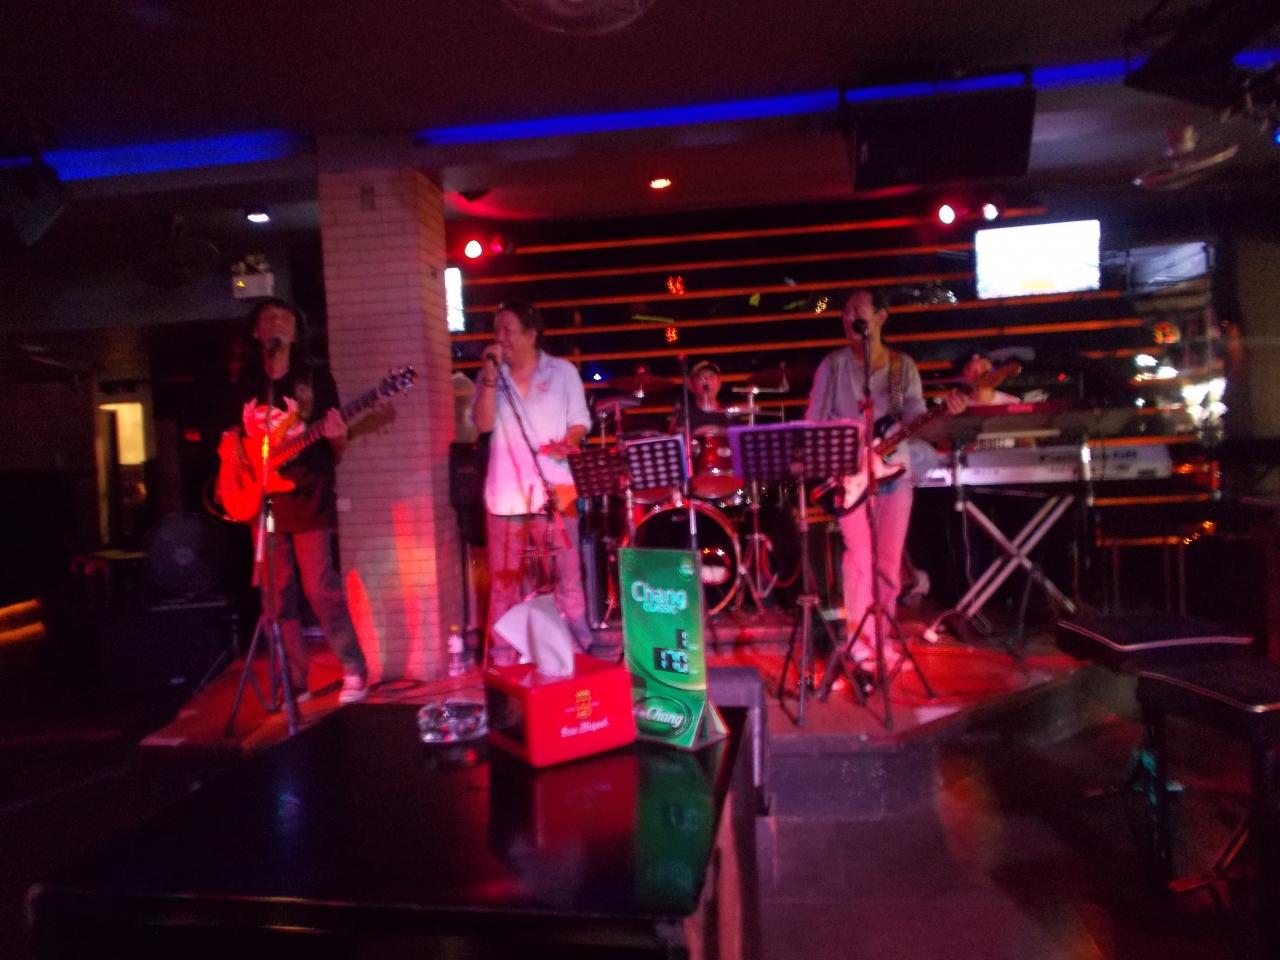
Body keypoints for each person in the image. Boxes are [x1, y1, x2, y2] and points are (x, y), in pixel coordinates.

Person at [219, 298, 369, 704]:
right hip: (265, 502)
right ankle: (294, 680)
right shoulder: (247, 381)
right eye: (267, 319)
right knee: (276, 594)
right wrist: (236, 458)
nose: (276, 324)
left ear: (296, 331)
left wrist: (338, 434)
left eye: (284, 318)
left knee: (320, 586)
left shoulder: (314, 380)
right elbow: (230, 436)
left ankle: (353, 668)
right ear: (256, 332)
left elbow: (337, 444)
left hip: (307, 495)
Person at [806, 289, 965, 667]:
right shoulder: (833, 366)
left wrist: (947, 413)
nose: (849, 317)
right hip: (849, 475)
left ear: (880, 317)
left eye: (858, 310)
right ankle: (859, 645)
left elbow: (916, 422)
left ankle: (882, 643)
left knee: (889, 564)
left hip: (895, 472)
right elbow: (813, 423)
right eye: (846, 312)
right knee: (860, 559)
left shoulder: (901, 366)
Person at [470, 299, 593, 657]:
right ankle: (505, 656)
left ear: (531, 333)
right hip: (504, 493)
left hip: (557, 487)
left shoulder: (562, 372)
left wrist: (569, 441)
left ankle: (576, 650)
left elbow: (580, 421)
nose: (500, 337)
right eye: (496, 330)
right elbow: (483, 424)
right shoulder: (490, 376)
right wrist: (489, 377)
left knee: (567, 574)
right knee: (504, 583)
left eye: (508, 330)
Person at [668, 359, 732, 433]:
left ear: (719, 384)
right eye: (700, 377)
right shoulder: (684, 413)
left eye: (711, 376)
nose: (706, 380)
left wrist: (719, 431)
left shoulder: (729, 412)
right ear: (691, 385)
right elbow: (675, 437)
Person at [956, 349, 1021, 405]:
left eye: (984, 366)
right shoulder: (956, 405)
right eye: (971, 369)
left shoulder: (1013, 403)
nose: (979, 373)